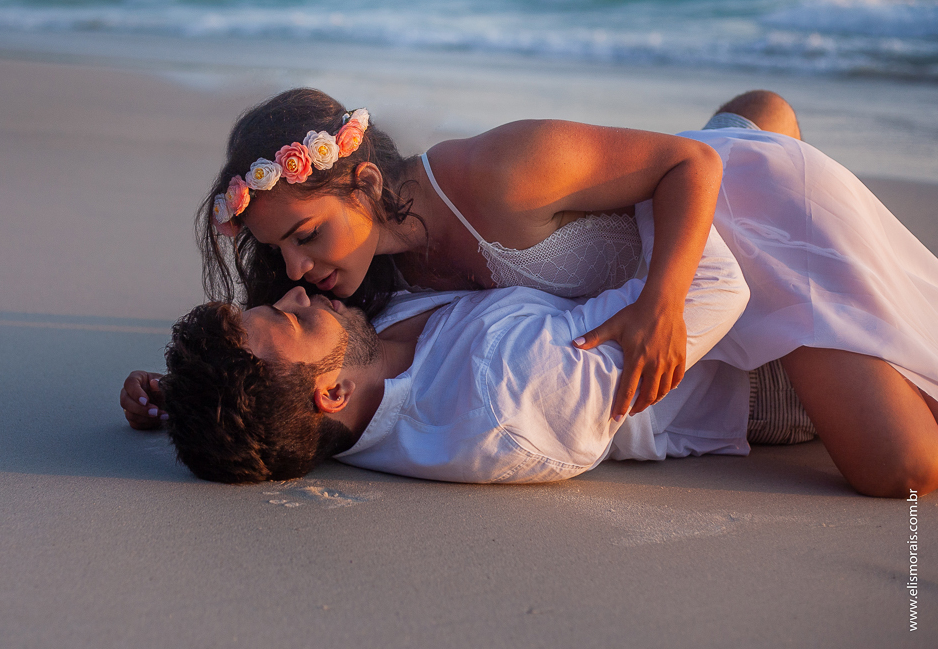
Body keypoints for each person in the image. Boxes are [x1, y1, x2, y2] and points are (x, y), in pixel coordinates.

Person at [156, 88, 938, 497]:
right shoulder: (376, 281)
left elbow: (690, 170)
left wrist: (663, 300)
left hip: (746, 226)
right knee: (751, 124)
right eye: (279, 254)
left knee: (896, 471)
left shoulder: (498, 171)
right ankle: (755, 121)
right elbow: (287, 376)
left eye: (305, 236)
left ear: (363, 181)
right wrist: (183, 397)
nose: (294, 274)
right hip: (693, 270)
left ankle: (759, 139)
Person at [126, 212, 761, 486]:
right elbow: (717, 285)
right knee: (750, 125)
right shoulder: (512, 389)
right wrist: (624, 173)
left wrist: (178, 397)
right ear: (332, 392)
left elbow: (252, 408)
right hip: (761, 362)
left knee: (760, 113)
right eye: (289, 319)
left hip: (714, 297)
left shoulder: (336, 393)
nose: (294, 294)